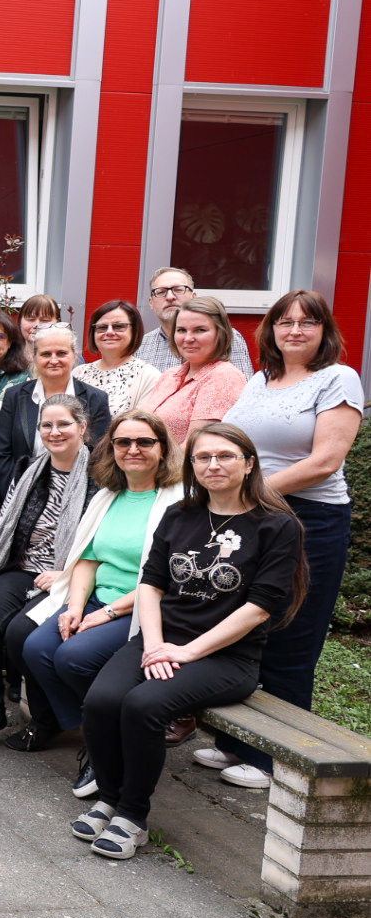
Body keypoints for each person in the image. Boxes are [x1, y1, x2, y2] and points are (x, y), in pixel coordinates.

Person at [73, 423, 305, 860]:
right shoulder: (180, 514)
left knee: (144, 706)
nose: (213, 465)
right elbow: (151, 584)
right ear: (192, 465)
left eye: (225, 456)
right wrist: (155, 643)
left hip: (226, 657)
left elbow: (259, 609)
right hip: (163, 640)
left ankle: (131, 816)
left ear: (249, 464)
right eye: (203, 457)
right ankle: (108, 794)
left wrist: (186, 652)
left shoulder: (276, 526)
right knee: (101, 701)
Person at [205, 291, 362, 787]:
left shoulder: (339, 379)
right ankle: (236, 743)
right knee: (249, 628)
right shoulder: (259, 379)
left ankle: (271, 760)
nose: (295, 330)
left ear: (324, 331)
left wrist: (249, 490)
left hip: (309, 521)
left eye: (307, 322)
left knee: (293, 636)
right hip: (256, 518)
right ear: (270, 330)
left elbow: (324, 462)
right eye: (285, 322)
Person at [18, 410, 182, 793]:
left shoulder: (177, 502)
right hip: (96, 599)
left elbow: (165, 578)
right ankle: (103, 730)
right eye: (123, 442)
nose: (133, 450)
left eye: (145, 442)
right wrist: (76, 607)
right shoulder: (109, 496)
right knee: (37, 648)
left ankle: (101, 747)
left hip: (143, 609)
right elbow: (87, 559)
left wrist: (106, 613)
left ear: (162, 449)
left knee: (72, 657)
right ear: (112, 449)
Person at [0, 395, 95, 752]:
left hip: (73, 577)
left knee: (21, 633)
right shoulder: (29, 466)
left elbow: (101, 538)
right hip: (24, 569)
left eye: (64, 424)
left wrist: (65, 572)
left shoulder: (101, 476)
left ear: (83, 427)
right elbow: (7, 526)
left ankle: (46, 721)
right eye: (47, 425)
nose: (55, 432)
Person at [0, 324, 111, 503]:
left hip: (75, 499)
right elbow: (1, 454)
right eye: (46, 354)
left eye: (61, 353)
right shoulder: (15, 396)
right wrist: (17, 496)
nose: (54, 360)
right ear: (35, 357)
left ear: (74, 356)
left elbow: (100, 458)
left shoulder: (95, 399)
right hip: (19, 495)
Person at [140, 296, 247, 446]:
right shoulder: (170, 375)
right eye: (181, 330)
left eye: (200, 330)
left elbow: (196, 446)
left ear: (220, 333)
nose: (188, 338)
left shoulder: (224, 376)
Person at [137, 266, 254, 377]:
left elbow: (243, 389)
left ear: (193, 297)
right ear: (151, 302)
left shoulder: (224, 336)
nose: (170, 297)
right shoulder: (141, 345)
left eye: (178, 290)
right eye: (161, 292)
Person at [74, 301, 160, 415]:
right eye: (102, 327)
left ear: (134, 331)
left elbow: (140, 426)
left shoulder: (149, 376)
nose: (109, 332)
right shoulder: (79, 373)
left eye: (118, 326)